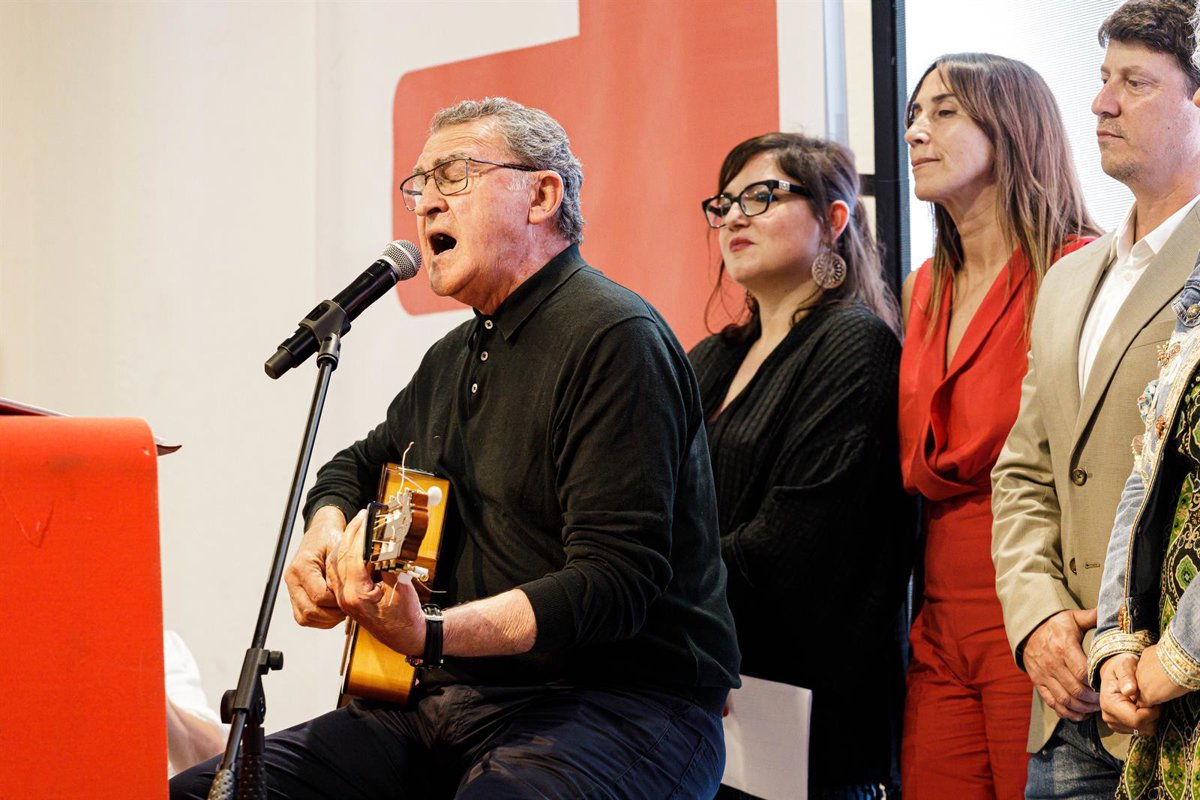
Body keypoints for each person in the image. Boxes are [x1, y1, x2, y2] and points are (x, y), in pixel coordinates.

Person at [171, 97, 740, 799]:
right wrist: (322, 539)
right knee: (208, 793)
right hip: (446, 706)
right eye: (418, 186)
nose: (427, 204)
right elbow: (355, 465)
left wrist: (432, 633)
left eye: (455, 174)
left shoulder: (614, 337)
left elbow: (614, 582)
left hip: (623, 707)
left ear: (541, 194)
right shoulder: (453, 357)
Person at [991, 2, 1200, 797]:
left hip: (1170, 713)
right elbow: (1024, 473)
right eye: (1103, 78)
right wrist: (1038, 619)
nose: (1101, 103)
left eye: (1136, 82)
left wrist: (1154, 661)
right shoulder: (1070, 276)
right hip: (1062, 703)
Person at [899, 53, 1100, 799]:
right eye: (915, 114)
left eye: (945, 111)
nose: (918, 131)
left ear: (1012, 127)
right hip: (936, 615)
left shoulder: (1079, 266)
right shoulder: (923, 287)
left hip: (1035, 602)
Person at [691, 132, 913, 798]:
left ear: (834, 219)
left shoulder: (853, 344)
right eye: (725, 203)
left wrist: (650, 593)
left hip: (808, 720)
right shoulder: (711, 358)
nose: (734, 216)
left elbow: (787, 553)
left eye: (762, 196)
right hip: (705, 696)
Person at [1088, 72, 1200, 800]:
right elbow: (1150, 465)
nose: (1104, 103)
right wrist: (1120, 644)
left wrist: (1181, 652)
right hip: (1172, 702)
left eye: (1135, 82)